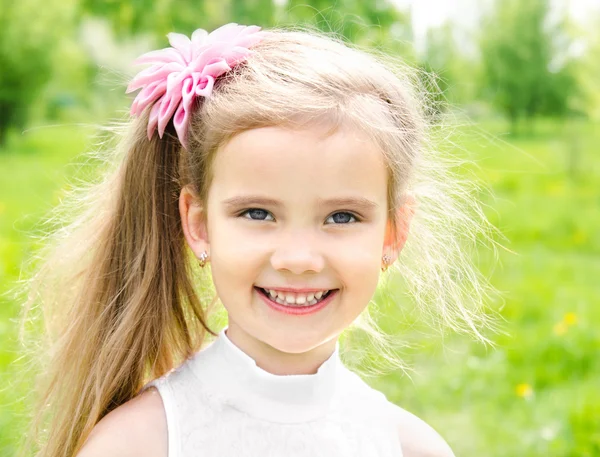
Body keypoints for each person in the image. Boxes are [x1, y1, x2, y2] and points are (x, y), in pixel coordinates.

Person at [16, 22, 499, 457]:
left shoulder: (408, 447)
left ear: (393, 233)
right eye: (258, 213)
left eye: (342, 216)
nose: (298, 259)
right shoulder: (138, 445)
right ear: (199, 225)